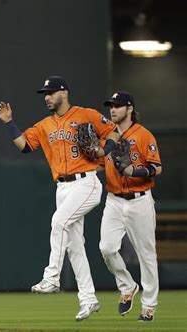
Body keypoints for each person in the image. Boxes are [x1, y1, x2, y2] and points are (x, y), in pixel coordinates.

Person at [0, 76, 120, 321]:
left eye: (51, 92)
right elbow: (24, 146)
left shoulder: (87, 114)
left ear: (65, 93)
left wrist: (103, 151)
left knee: (58, 222)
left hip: (86, 183)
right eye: (45, 93)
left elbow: (114, 132)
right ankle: (88, 299)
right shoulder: (44, 125)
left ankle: (52, 277)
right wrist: (10, 123)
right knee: (74, 246)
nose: (47, 97)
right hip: (62, 188)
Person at [98, 91, 162, 322]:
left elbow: (157, 167)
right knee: (106, 248)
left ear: (130, 109)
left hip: (140, 200)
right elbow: (98, 163)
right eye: (110, 106)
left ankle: (149, 306)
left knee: (146, 255)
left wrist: (133, 171)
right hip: (113, 200)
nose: (112, 110)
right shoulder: (107, 136)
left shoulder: (144, 135)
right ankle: (127, 286)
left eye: (117, 106)